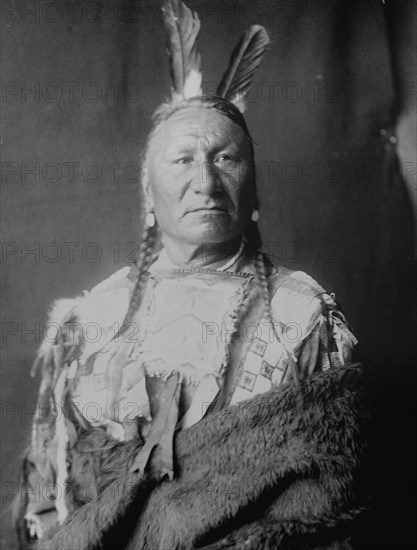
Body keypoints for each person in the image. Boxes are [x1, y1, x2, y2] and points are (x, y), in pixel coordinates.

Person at [15, 2, 366, 549]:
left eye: (226, 159)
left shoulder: (301, 312)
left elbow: (329, 497)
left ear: (252, 190)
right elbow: (48, 493)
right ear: (147, 195)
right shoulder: (90, 319)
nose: (205, 180)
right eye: (181, 160)